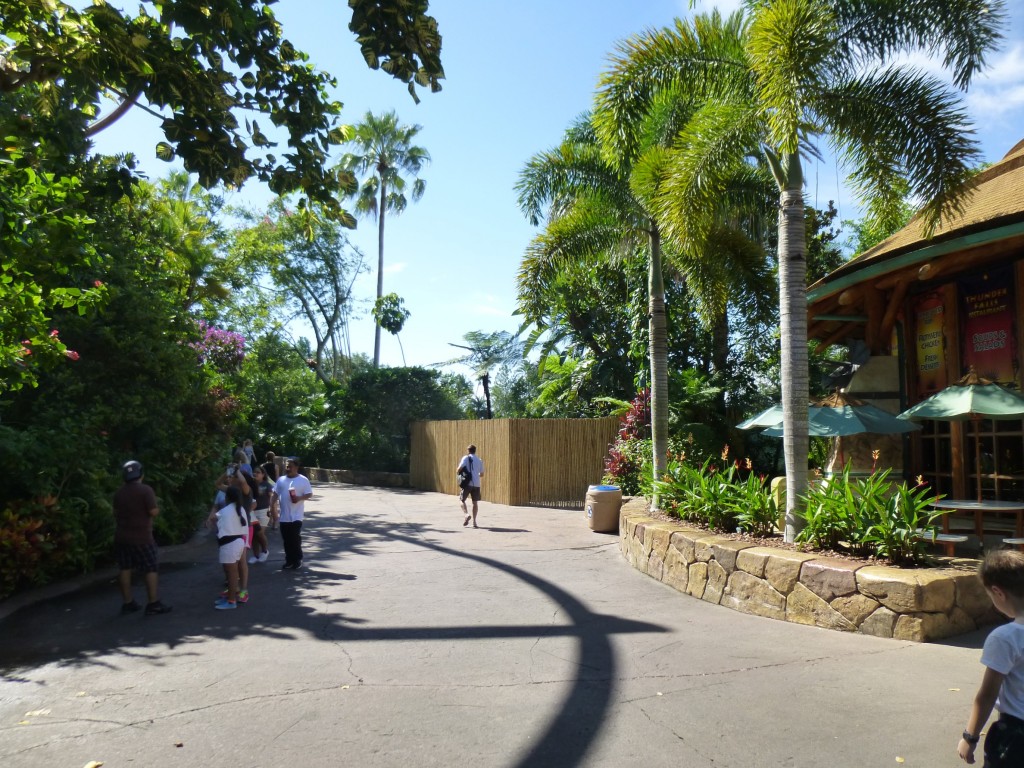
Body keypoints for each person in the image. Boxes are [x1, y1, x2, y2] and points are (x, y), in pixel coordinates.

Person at [958, 549, 1024, 766]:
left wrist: (970, 736)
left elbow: (986, 695)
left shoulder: (1005, 638)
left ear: (998, 592)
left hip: (1015, 736)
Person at [113, 460, 171, 616]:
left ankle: (127, 602)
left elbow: (115, 513)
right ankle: (153, 603)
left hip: (121, 536)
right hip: (142, 537)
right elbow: (153, 511)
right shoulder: (145, 490)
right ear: (141, 474)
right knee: (150, 568)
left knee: (125, 569)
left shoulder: (119, 493)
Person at [208, 485, 248, 610]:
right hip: (238, 542)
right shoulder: (241, 509)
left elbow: (215, 522)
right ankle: (231, 597)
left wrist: (212, 519)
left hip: (229, 544)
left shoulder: (224, 511)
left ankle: (231, 601)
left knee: (231, 573)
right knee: (232, 572)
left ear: (227, 497)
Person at [271, 457, 312, 570]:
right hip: (284, 516)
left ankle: (297, 559)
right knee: (286, 540)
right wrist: (271, 507)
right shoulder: (281, 480)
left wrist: (299, 498)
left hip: (297, 516)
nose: (288, 468)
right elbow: (275, 494)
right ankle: (289, 560)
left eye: (290, 466)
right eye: (287, 466)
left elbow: (309, 494)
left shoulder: (303, 480)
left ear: (296, 467)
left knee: (294, 538)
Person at [247, 465, 273, 564]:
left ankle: (265, 550)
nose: (255, 474)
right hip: (252, 511)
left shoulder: (267, 484)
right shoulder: (250, 484)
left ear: (263, 474)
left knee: (259, 533)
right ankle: (256, 555)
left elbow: (271, 499)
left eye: (258, 472)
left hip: (263, 511)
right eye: (254, 472)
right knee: (253, 535)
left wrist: (272, 511)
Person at [457, 445, 484, 528]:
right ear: (475, 450)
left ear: (468, 450)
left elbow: (459, 469)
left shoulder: (465, 458)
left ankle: (466, 515)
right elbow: (482, 474)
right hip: (477, 484)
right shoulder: (480, 460)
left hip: (468, 483)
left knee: (461, 500)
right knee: (475, 503)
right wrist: (476, 474)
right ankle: (474, 522)